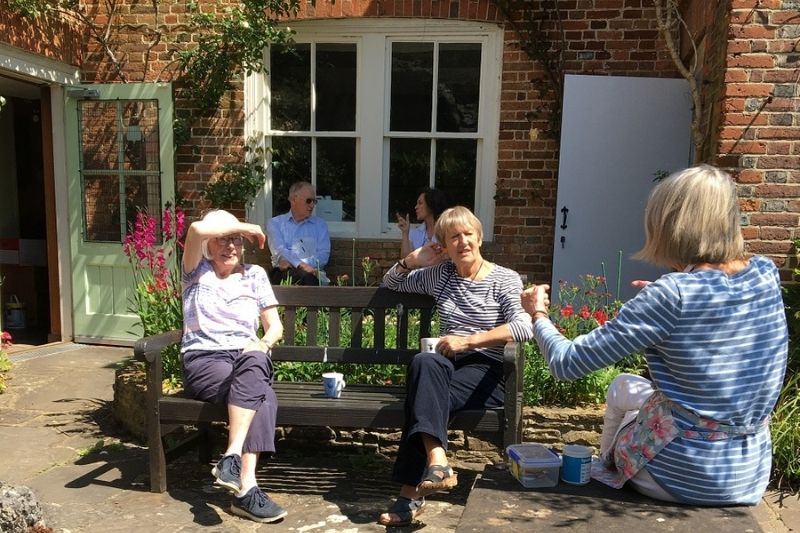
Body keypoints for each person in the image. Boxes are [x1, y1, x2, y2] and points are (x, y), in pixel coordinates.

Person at [521, 165, 788, 506]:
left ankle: (607, 471)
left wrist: (538, 313)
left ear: (671, 224)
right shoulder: (765, 273)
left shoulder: (671, 295)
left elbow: (566, 363)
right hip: (748, 475)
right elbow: (721, 314)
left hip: (684, 476)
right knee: (628, 389)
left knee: (626, 401)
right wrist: (671, 312)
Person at [378, 206, 534, 526]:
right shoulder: (441, 274)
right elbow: (390, 282)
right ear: (444, 246)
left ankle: (409, 497)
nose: (463, 242)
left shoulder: (504, 279)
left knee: (422, 399)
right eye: (453, 237)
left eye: (468, 234)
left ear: (479, 237)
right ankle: (439, 460)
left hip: (488, 369)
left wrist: (470, 341)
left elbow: (524, 328)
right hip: (448, 364)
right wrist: (413, 260)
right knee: (424, 362)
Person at [180, 209, 287, 523]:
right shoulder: (194, 271)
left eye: (237, 240)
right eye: (223, 240)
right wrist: (247, 226)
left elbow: (275, 327)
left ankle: (231, 459)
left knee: (256, 357)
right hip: (205, 360)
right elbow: (197, 228)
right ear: (209, 246)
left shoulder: (255, 274)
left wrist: (264, 343)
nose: (230, 246)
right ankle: (246, 489)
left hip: (245, 359)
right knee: (264, 397)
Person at [266, 181, 331, 285]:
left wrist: (300, 264)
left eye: (314, 201)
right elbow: (279, 250)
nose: (312, 205)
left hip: (313, 273)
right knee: (305, 278)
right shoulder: (275, 223)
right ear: (294, 199)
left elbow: (323, 255)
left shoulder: (320, 225)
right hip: (284, 273)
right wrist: (300, 265)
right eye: (308, 201)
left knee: (309, 278)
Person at [396, 187, 449, 257]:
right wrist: (405, 232)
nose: (416, 207)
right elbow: (405, 259)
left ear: (431, 205)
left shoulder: (446, 231)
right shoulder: (414, 233)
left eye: (420, 203)